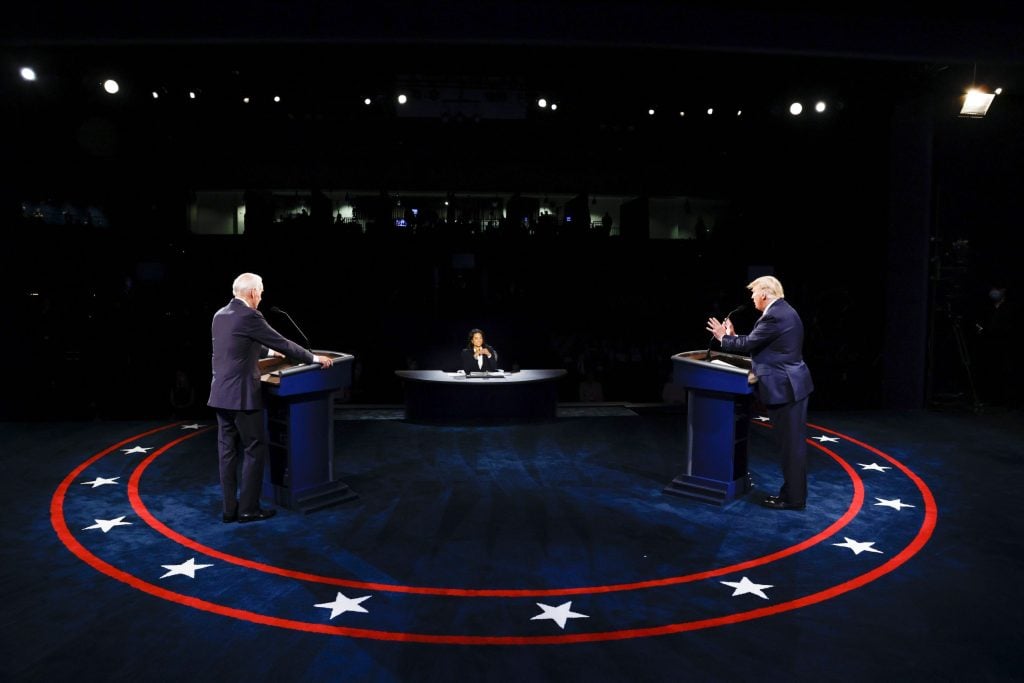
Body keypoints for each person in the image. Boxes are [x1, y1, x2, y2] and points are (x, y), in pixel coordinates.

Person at [207, 273, 334, 524]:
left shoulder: (220, 315)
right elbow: (283, 342)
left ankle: (229, 509)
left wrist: (267, 350)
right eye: (261, 291)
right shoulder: (251, 315)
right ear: (253, 292)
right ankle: (248, 509)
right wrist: (313, 358)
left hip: (220, 395)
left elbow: (236, 343)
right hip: (242, 396)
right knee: (254, 449)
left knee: (227, 453)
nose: (262, 296)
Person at [706, 275, 814, 510]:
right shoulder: (782, 312)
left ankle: (794, 499)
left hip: (786, 388)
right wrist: (733, 337)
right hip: (790, 385)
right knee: (790, 446)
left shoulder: (775, 315)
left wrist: (723, 338)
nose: (753, 298)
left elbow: (750, 345)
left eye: (754, 294)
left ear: (764, 293)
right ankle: (791, 494)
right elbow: (758, 343)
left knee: (791, 447)